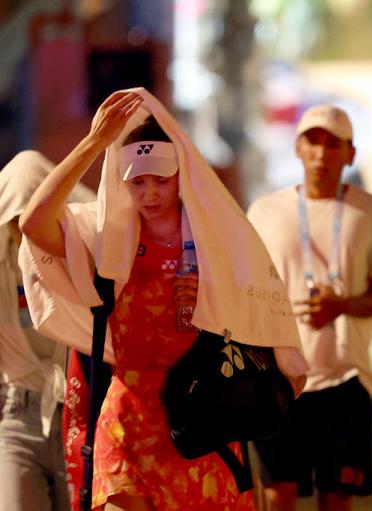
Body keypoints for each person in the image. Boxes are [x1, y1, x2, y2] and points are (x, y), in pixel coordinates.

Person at [19, 88, 308, 510]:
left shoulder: (219, 242)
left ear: (183, 177)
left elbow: (259, 323)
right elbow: (33, 223)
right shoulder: (106, 237)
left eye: (160, 180)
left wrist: (216, 303)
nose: (149, 194)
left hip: (202, 422)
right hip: (126, 422)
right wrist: (95, 143)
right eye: (137, 182)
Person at [247, 105, 372, 511]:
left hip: (345, 378)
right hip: (278, 374)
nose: (322, 153)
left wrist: (342, 305)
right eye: (313, 141)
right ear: (297, 148)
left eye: (334, 144)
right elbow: (244, 289)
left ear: (350, 154)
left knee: (336, 498)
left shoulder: (371, 212)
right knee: (279, 494)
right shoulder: (264, 211)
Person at [0, 150, 94, 511]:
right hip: (19, 416)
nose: (27, 231)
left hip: (85, 415)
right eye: (16, 221)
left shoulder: (87, 255)